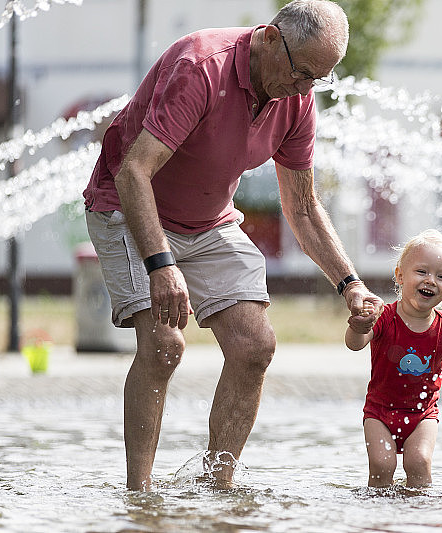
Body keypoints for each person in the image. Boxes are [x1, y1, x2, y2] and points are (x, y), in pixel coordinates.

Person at [82, 0, 383, 491]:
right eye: (302, 73)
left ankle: (216, 487)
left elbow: (303, 208)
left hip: (208, 222)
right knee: (163, 345)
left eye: (319, 79)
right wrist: (161, 265)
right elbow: (134, 170)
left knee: (255, 346)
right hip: (129, 206)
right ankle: (140, 496)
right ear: (269, 38)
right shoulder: (201, 65)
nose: (305, 89)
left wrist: (350, 285)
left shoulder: (297, 102)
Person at [345, 229, 442, 488]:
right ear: (400, 275)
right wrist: (358, 328)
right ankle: (378, 516)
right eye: (421, 272)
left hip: (422, 415)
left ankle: (419, 514)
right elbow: (355, 344)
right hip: (380, 413)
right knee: (382, 466)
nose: (431, 281)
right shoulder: (384, 317)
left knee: (420, 462)